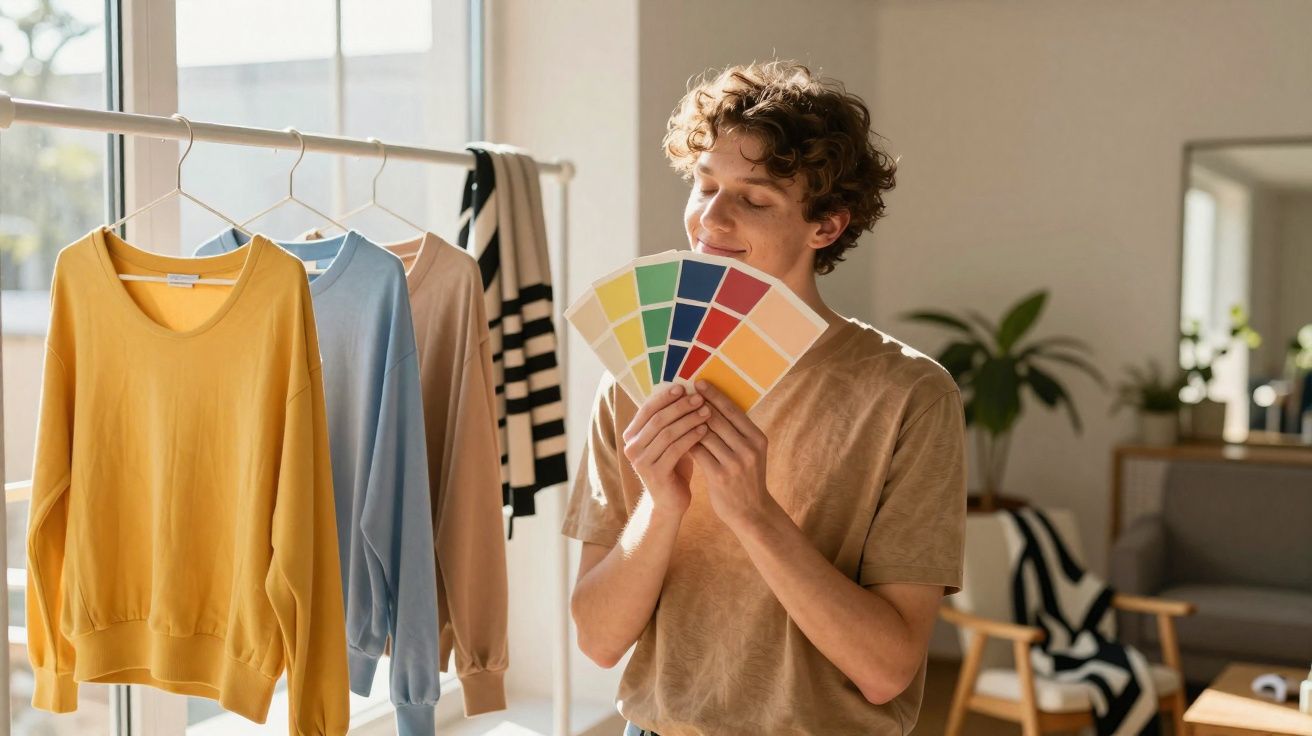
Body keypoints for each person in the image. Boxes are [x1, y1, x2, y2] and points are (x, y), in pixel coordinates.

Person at [563, 60, 967, 735]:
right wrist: (662, 507)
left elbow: (886, 669)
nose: (710, 219)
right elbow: (599, 642)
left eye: (754, 198)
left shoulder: (909, 394)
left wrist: (754, 514)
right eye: (705, 185)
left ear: (826, 227)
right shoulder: (637, 377)